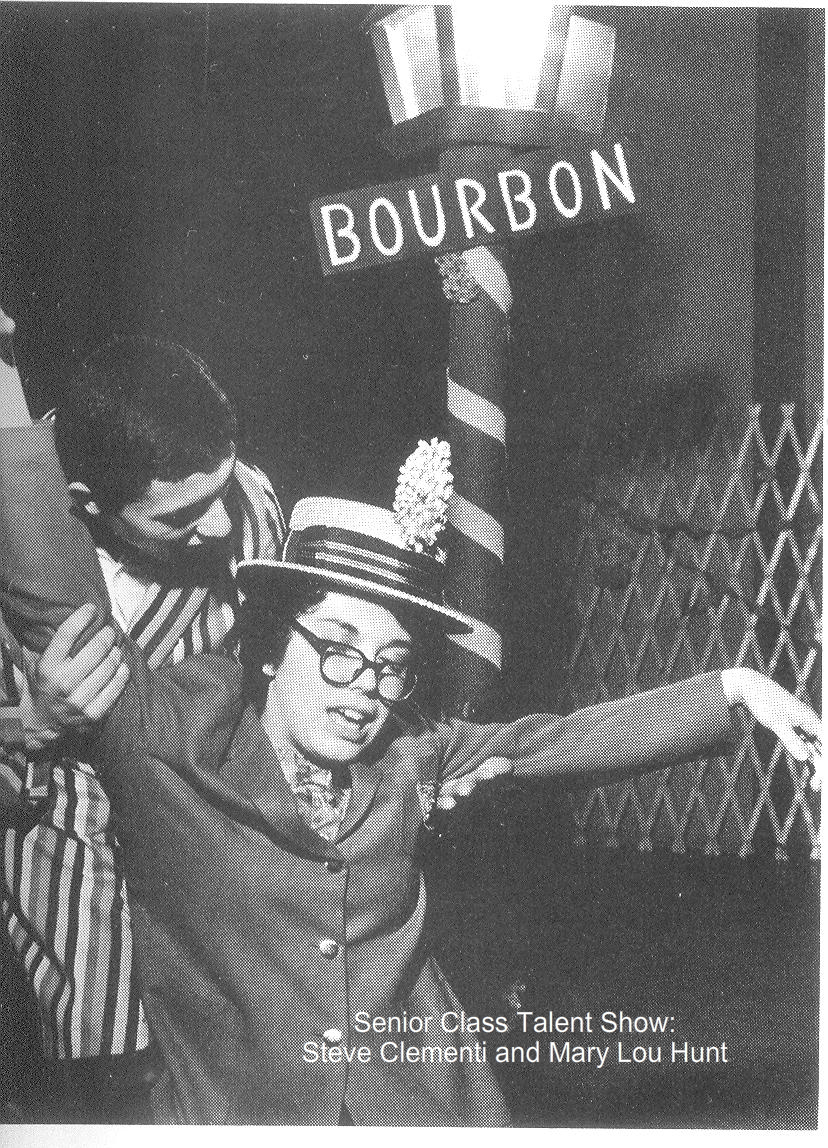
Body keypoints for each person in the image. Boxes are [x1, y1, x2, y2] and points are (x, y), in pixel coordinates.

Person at [0, 326, 820, 1124]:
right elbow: (41, 556)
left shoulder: (407, 750)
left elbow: (554, 740)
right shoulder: (171, 730)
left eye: (392, 664)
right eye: (338, 651)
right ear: (272, 643)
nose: (365, 688)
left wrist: (735, 687)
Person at [0, 308, 288, 1115]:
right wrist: (33, 723)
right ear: (87, 503)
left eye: (221, 492)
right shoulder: (14, 521)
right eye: (180, 517)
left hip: (205, 850)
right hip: (64, 857)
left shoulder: (248, 510)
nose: (219, 525)